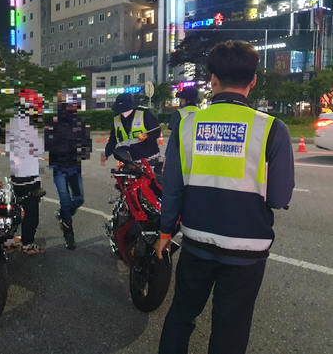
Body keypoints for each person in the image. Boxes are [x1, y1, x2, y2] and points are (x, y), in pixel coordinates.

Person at [155, 40, 295, 354]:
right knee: (231, 329)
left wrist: (165, 232)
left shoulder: (188, 126)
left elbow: (172, 187)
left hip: (196, 243)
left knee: (181, 316)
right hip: (246, 250)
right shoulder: (273, 129)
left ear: (212, 79)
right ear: (253, 80)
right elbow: (278, 197)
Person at [44, 91, 92, 250]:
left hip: (74, 167)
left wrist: (85, 151)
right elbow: (47, 144)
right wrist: (64, 149)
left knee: (79, 200)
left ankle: (64, 215)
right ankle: (68, 234)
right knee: (65, 200)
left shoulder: (79, 122)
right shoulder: (52, 121)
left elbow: (87, 141)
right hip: (59, 167)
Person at [5, 89, 45, 255]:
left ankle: (8, 241)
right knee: (31, 214)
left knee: (15, 210)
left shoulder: (12, 124)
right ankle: (28, 245)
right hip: (29, 177)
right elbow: (40, 150)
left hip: (16, 175)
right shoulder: (28, 128)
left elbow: (8, 150)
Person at [103, 92, 162, 173]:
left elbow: (156, 132)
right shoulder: (116, 119)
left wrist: (147, 136)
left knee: (150, 183)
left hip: (148, 158)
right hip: (129, 160)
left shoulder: (144, 113)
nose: (123, 112)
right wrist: (106, 154)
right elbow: (113, 139)